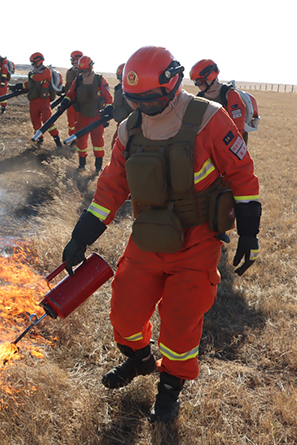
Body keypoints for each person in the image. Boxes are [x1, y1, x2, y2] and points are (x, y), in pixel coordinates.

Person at [61, 46, 261, 423]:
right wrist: (81, 237)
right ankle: (139, 360)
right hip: (148, 236)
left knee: (181, 323)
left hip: (197, 239)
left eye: (151, 98)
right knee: (124, 314)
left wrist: (249, 233)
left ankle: (169, 390)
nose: (144, 107)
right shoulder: (128, 129)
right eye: (136, 100)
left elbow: (242, 175)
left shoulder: (208, 118)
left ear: (172, 83)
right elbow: (109, 192)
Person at [60, 56, 113, 172]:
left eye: (85, 70)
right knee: (81, 141)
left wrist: (108, 111)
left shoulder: (99, 79)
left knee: (98, 142)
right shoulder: (78, 80)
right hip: (82, 115)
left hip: (97, 116)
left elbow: (108, 97)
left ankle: (98, 167)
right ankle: (81, 165)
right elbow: (71, 93)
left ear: (91, 67)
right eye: (81, 71)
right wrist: (65, 101)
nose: (83, 73)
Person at [9, 53, 63, 148]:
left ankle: (57, 141)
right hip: (33, 101)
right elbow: (29, 84)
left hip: (43, 101)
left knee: (47, 121)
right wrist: (18, 86)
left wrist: (31, 75)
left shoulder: (46, 71)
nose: (33, 65)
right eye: (32, 63)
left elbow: (38, 78)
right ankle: (39, 140)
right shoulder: (33, 72)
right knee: (35, 123)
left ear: (39, 62)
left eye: (34, 63)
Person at [190, 59, 250, 143]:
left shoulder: (230, 95)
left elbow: (238, 127)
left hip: (231, 144)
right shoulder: (200, 98)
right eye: (196, 82)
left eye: (199, 81)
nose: (198, 85)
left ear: (210, 78)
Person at [111, 63, 133, 148]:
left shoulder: (135, 93)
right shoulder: (119, 89)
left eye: (122, 80)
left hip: (132, 125)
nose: (120, 82)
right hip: (122, 124)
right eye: (119, 80)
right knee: (115, 145)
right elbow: (117, 104)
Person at [64, 51, 84, 136]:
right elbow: (68, 84)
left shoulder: (85, 72)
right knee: (71, 121)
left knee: (80, 121)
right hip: (71, 100)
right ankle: (71, 139)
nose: (72, 61)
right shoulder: (69, 71)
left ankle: (78, 139)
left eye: (73, 59)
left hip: (81, 101)